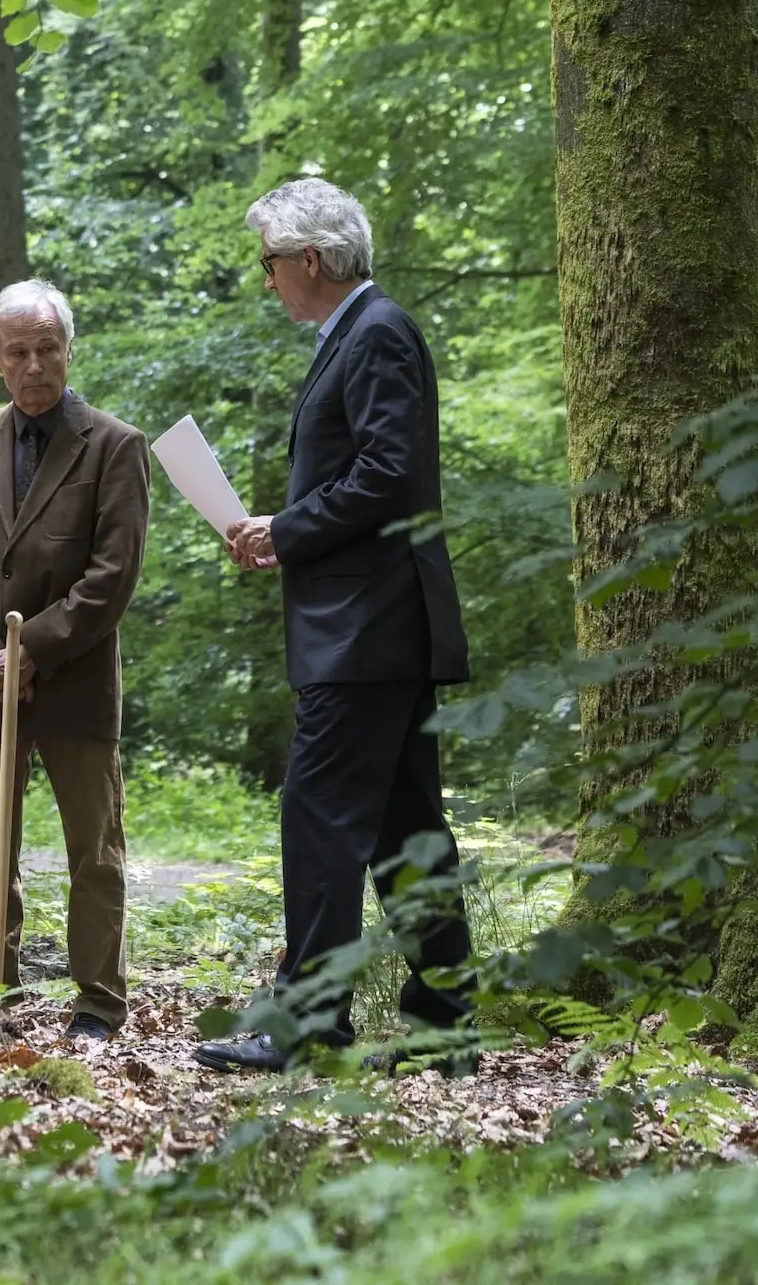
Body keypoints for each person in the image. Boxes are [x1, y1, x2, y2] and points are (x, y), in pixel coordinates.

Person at [195, 178, 473, 1074]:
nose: (267, 280)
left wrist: (287, 527)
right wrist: (289, 531)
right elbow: (369, 474)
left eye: (269, 263)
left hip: (367, 633)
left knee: (318, 820)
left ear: (309, 259)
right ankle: (445, 1028)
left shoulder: (378, 331)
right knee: (406, 834)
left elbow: (392, 473)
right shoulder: (356, 333)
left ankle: (309, 1024)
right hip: (369, 629)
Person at [0, 280, 150, 1041]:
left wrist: (35, 650)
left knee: (95, 849)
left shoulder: (116, 445)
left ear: (68, 350)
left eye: (46, 348)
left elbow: (114, 573)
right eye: (17, 351)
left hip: (76, 679)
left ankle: (98, 1001)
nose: (33, 366)